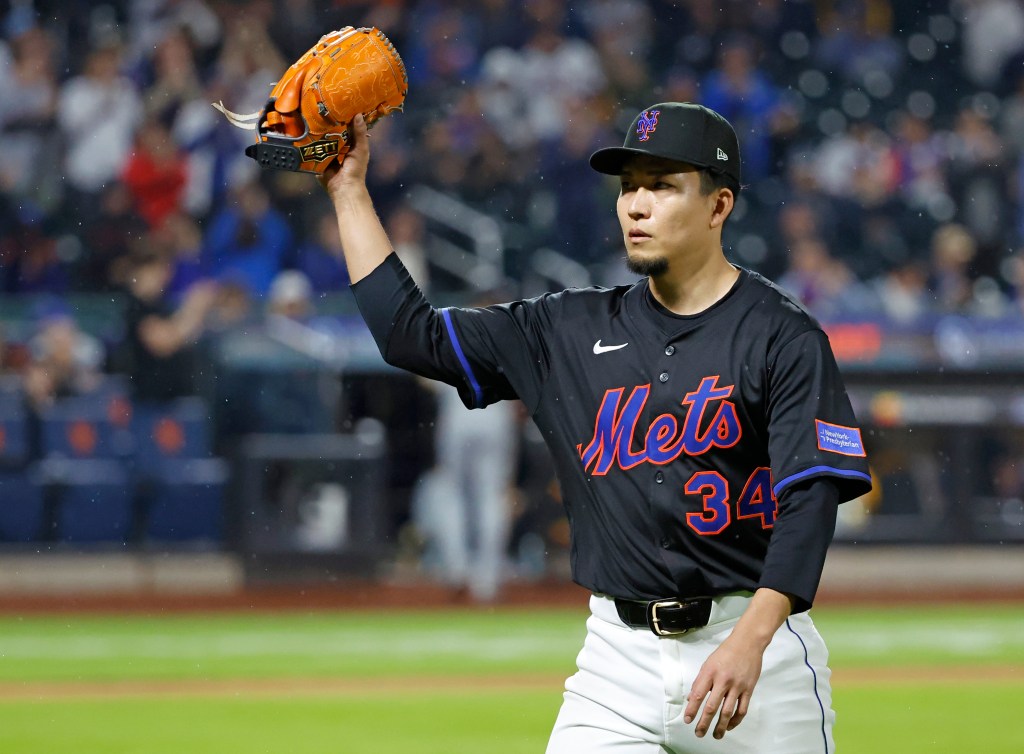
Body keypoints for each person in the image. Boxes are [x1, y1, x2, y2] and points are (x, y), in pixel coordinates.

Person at [318, 103, 872, 752]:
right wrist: (349, 190)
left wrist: (752, 640)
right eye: (629, 185)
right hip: (616, 661)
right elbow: (411, 336)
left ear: (719, 206)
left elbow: (809, 505)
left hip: (755, 646)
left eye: (662, 186)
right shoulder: (566, 330)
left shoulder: (783, 335)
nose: (637, 204)